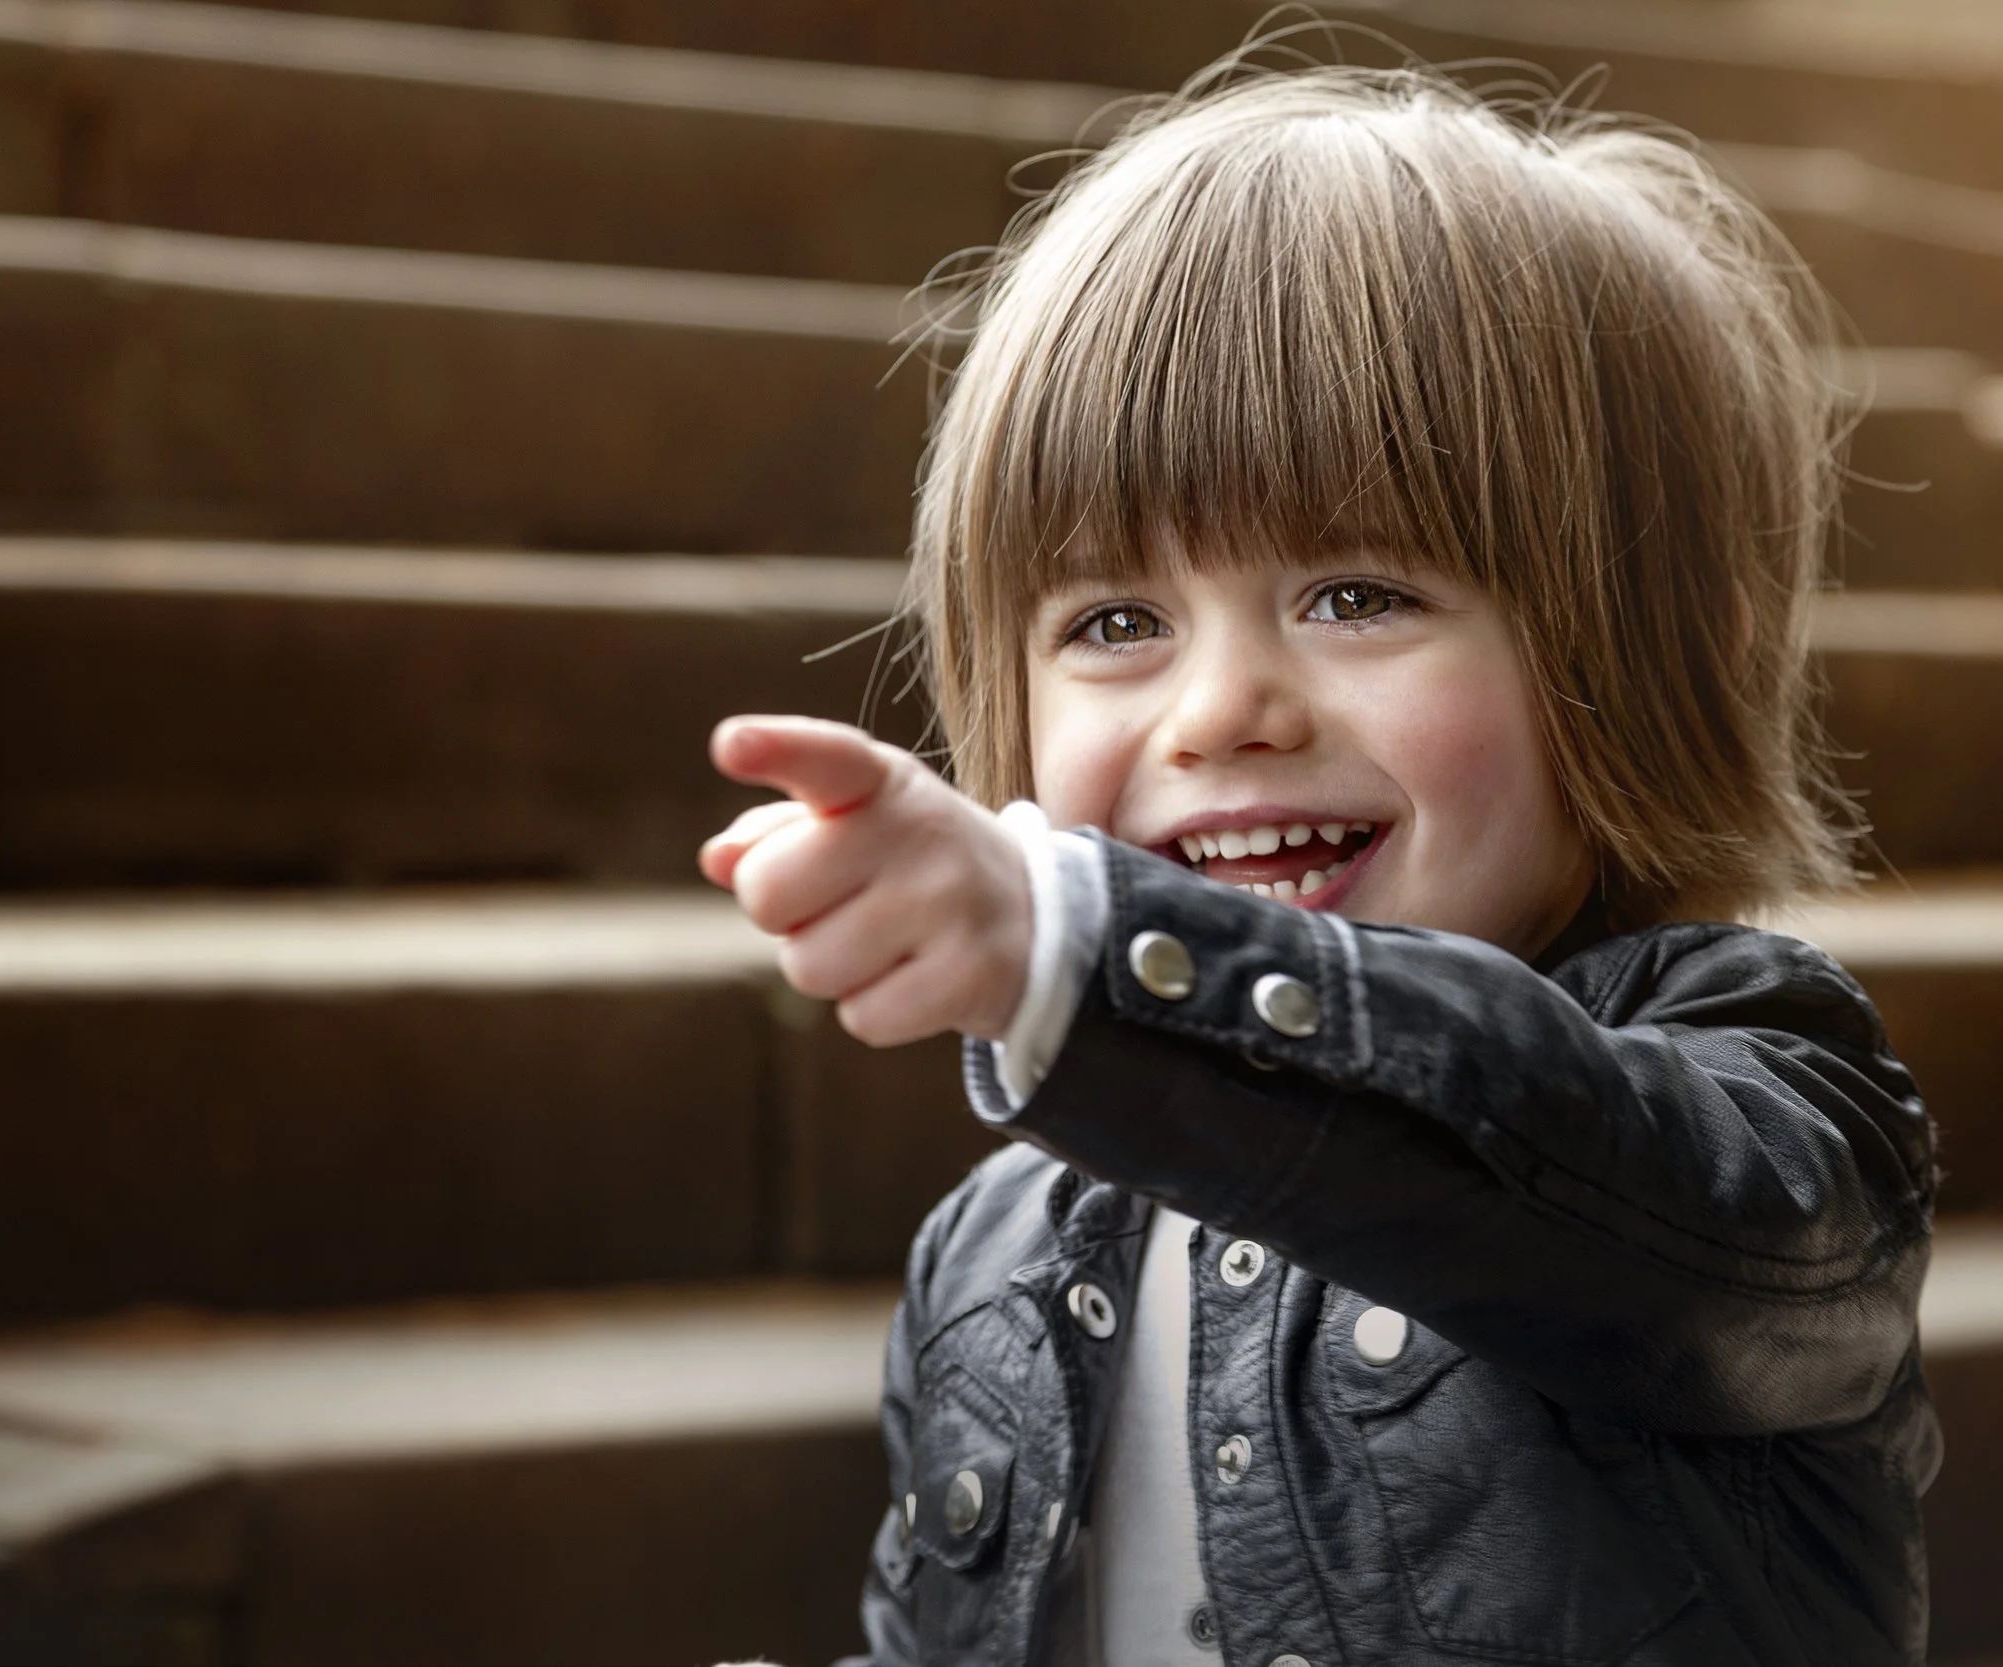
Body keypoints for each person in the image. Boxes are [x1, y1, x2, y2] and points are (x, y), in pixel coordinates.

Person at [700, 53, 1937, 1667]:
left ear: (1642, 647)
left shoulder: (1762, 1095)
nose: (1221, 710)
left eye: (1357, 592)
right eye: (1116, 622)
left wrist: (1094, 947)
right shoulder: (994, 1248)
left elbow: (1583, 1176)